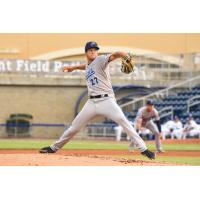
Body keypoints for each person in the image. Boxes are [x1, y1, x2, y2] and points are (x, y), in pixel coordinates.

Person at [39, 41, 155, 159]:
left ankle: (144, 149)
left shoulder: (100, 60)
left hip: (107, 100)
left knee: (124, 122)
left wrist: (124, 55)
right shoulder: (89, 66)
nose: (93, 51)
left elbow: (115, 54)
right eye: (90, 50)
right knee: (74, 128)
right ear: (86, 52)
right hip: (91, 103)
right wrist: (72, 68)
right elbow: (85, 66)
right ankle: (53, 148)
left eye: (95, 49)